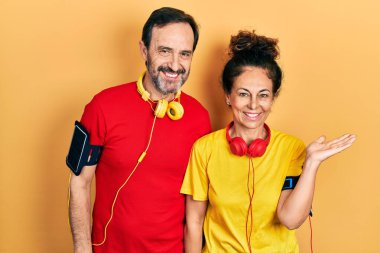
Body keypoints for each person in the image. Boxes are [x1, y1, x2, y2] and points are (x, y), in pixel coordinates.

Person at [180, 30, 356, 253]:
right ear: (227, 95)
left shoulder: (292, 149)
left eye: (263, 95)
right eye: (243, 94)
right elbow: (194, 224)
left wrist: (311, 163)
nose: (254, 105)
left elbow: (290, 220)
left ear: (272, 98)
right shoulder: (204, 149)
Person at [68, 7, 211, 253]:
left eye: (184, 54)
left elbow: (196, 209)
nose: (175, 65)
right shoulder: (101, 106)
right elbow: (79, 183)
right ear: (144, 50)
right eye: (164, 51)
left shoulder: (200, 118)